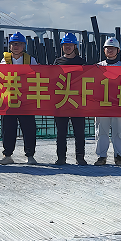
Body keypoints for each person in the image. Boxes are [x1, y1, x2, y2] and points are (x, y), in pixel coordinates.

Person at [0, 32, 38, 165]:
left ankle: (30, 155)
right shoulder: (4, 60)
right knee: (8, 129)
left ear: (24, 46)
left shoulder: (31, 60)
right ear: (9, 46)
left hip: (26, 101)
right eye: (13, 44)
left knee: (29, 128)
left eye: (19, 44)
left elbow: (38, 76)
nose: (16, 46)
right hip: (9, 100)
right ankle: (7, 155)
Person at [53, 33, 88, 166]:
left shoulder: (82, 62)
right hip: (61, 101)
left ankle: (80, 157)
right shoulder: (57, 62)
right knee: (61, 132)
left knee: (79, 132)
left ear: (75, 46)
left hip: (77, 102)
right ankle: (61, 157)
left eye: (70, 45)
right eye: (65, 45)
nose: (67, 47)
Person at [94, 37, 121, 167]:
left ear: (118, 50)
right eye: (108, 48)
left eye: (113, 48)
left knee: (119, 131)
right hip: (102, 105)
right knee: (101, 131)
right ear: (104, 50)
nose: (110, 50)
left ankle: (119, 156)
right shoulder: (98, 67)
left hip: (118, 105)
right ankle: (101, 156)